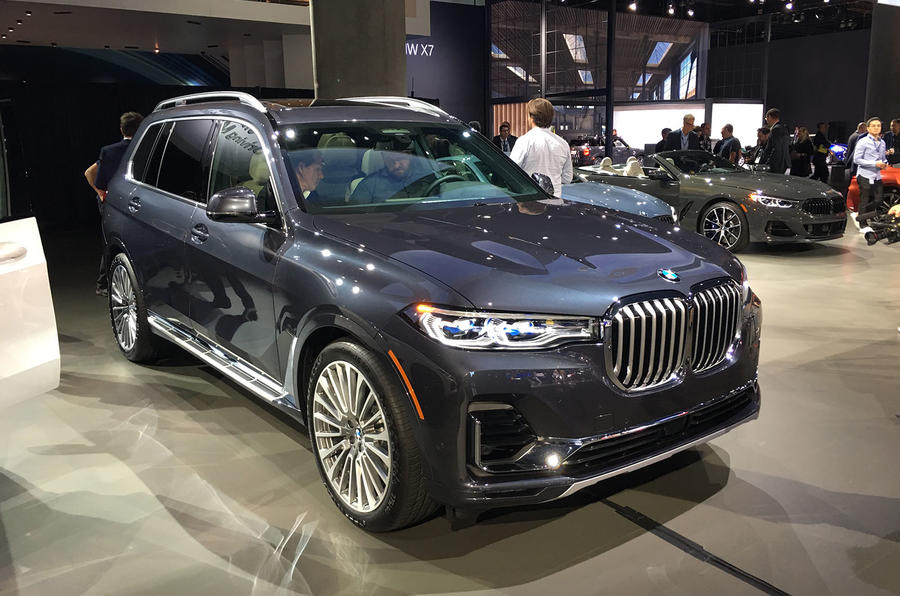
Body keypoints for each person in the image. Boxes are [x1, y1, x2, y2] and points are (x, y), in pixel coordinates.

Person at [84, 111, 143, 297]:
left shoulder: (109, 151)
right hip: (141, 203)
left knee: (113, 242)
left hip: (113, 203)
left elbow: (90, 174)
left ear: (121, 129)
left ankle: (104, 284)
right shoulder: (145, 148)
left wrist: (100, 192)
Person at [508, 98, 572, 198]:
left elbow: (510, 173)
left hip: (529, 201)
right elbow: (567, 178)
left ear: (531, 117)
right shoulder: (563, 143)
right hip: (555, 200)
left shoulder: (524, 141)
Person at [854, 117, 889, 229]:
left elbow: (883, 158)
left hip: (877, 175)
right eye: (873, 125)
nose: (876, 127)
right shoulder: (863, 142)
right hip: (865, 174)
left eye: (878, 125)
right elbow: (857, 159)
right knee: (864, 199)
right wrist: (875, 164)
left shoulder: (882, 142)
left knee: (879, 200)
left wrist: (885, 163)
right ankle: (862, 224)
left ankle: (860, 214)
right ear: (868, 128)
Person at [764, 108, 790, 174]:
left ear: (769, 117)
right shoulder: (784, 128)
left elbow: (776, 149)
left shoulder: (776, 129)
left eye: (766, 118)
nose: (766, 121)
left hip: (777, 165)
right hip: (784, 163)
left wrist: (768, 163)